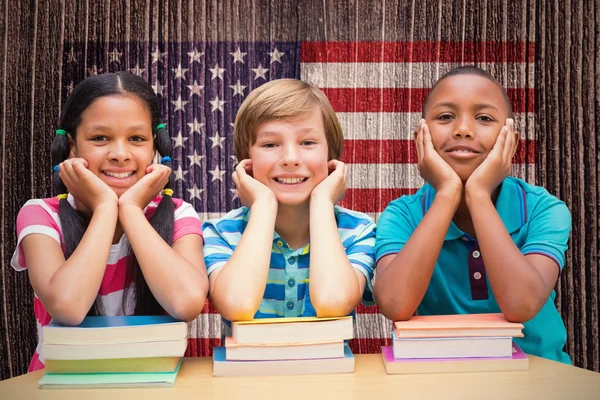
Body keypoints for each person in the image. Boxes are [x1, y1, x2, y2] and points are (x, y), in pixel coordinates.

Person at [11, 72, 209, 371]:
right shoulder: (41, 214)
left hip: (156, 383)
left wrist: (130, 210)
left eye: (136, 139)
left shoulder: (180, 214)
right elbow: (69, 307)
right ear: (72, 147)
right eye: (100, 138)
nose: (119, 154)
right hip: (61, 385)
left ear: (154, 148)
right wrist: (105, 207)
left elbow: (187, 302)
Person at [373, 66, 572, 363]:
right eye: (445, 117)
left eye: (484, 118)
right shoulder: (402, 215)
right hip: (435, 379)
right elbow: (394, 304)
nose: (463, 129)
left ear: (511, 140)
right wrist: (447, 194)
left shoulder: (544, 210)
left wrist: (478, 193)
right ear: (420, 137)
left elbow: (522, 305)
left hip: (537, 380)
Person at [202, 79, 376, 335]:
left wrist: (322, 202)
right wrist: (262, 205)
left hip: (331, 374)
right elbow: (236, 305)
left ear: (331, 157)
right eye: (270, 145)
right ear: (246, 161)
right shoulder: (221, 233)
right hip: (246, 374)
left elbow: (333, 302)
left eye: (307, 143)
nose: (291, 159)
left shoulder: (357, 231)